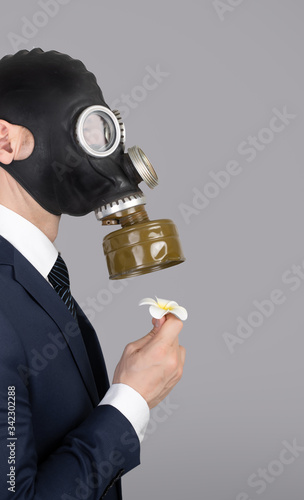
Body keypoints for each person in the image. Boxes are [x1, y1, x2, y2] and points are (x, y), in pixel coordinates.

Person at [0, 48, 185, 499]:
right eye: (86, 131)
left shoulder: (32, 274)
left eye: (107, 131)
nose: (110, 156)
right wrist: (130, 403)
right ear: (6, 143)